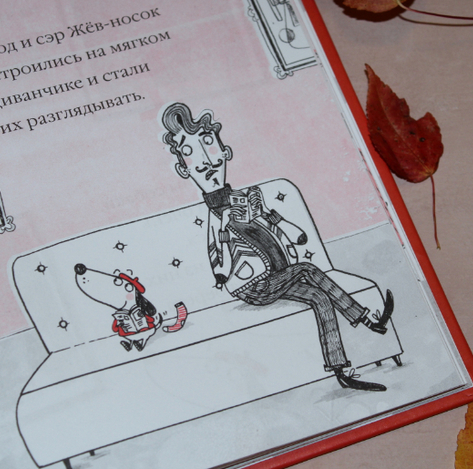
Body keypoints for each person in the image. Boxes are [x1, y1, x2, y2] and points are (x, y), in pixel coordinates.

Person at [159, 102, 394, 392]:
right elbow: (220, 271)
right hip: (253, 287)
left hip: (278, 277)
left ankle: (342, 371)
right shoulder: (214, 218)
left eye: (210, 148)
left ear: (225, 152)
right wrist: (224, 227)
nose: (207, 163)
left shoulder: (244, 199)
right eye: (192, 155)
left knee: (319, 298)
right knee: (307, 269)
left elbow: (297, 237)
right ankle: (368, 320)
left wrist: (266, 214)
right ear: (184, 170)